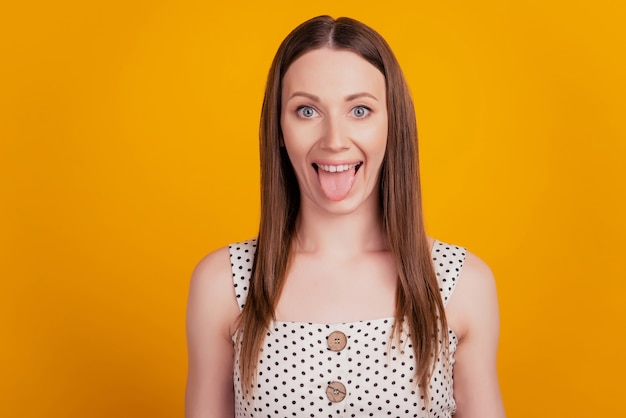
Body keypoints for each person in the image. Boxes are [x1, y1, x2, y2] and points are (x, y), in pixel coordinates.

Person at [185, 15, 505, 418]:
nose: (334, 141)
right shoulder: (222, 284)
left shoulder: (461, 284)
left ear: (393, 123)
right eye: (306, 111)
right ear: (278, 129)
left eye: (359, 110)